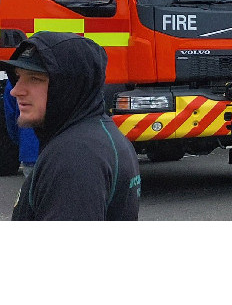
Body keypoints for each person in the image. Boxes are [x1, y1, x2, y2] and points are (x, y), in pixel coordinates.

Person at [8, 33, 140, 221]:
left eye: (35, 79)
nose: (15, 90)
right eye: (18, 77)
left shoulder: (74, 156)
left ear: (70, 85)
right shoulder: (97, 135)